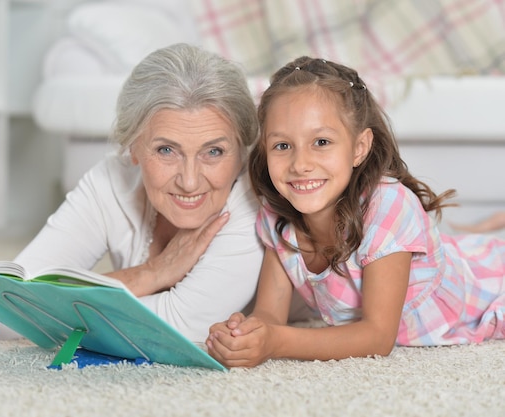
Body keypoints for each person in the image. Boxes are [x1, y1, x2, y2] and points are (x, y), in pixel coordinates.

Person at [206, 56, 505, 367]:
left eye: (321, 142)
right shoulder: (277, 214)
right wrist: (245, 333)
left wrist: (277, 342)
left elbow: (377, 336)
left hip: (483, 294)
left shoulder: (388, 207)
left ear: (359, 147)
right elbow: (270, 314)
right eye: (282, 145)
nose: (300, 164)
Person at [14, 43, 264, 344]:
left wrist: (53, 306)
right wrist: (151, 273)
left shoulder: (251, 199)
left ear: (241, 152)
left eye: (213, 151)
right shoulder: (111, 179)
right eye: (166, 150)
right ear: (132, 147)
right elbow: (16, 296)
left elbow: (183, 325)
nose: (189, 181)